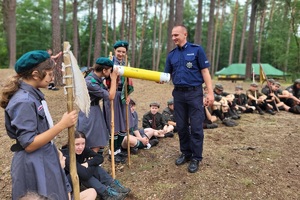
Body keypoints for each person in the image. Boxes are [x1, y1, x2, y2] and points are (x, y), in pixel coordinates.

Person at [0, 50, 78, 199]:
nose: (52, 77)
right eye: (49, 73)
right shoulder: (24, 101)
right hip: (33, 163)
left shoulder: (33, 94)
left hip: (44, 156)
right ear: (36, 74)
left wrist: (54, 150)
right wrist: (62, 125)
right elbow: (29, 144)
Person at [164, 25, 214, 173]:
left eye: (176, 35)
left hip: (194, 93)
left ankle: (196, 158)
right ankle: (185, 153)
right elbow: (167, 76)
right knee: (182, 126)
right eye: (172, 35)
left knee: (197, 126)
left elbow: (205, 71)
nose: (173, 38)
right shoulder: (171, 55)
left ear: (185, 34)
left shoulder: (197, 50)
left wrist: (210, 93)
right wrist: (159, 79)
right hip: (178, 95)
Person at [61, 131, 130, 200]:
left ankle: (112, 185)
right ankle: (106, 193)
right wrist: (91, 164)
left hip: (81, 176)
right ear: (70, 143)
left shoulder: (83, 149)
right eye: (77, 144)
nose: (81, 147)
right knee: (81, 173)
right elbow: (84, 174)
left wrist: (87, 163)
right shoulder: (66, 156)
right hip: (66, 185)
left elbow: (100, 158)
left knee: (92, 166)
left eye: (83, 143)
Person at [77, 57, 118, 154]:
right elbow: (111, 96)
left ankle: (92, 162)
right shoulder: (90, 82)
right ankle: (88, 162)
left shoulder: (96, 78)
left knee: (97, 139)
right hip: (89, 112)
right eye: (109, 71)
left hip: (95, 109)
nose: (111, 73)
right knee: (90, 140)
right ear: (104, 70)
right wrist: (114, 79)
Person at [103, 40, 134, 163]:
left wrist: (127, 94)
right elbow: (103, 80)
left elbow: (128, 82)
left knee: (123, 125)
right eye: (119, 51)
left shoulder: (126, 64)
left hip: (122, 95)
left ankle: (118, 150)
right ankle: (112, 152)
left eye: (123, 52)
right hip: (112, 95)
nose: (120, 54)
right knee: (114, 125)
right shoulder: (108, 63)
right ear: (114, 51)